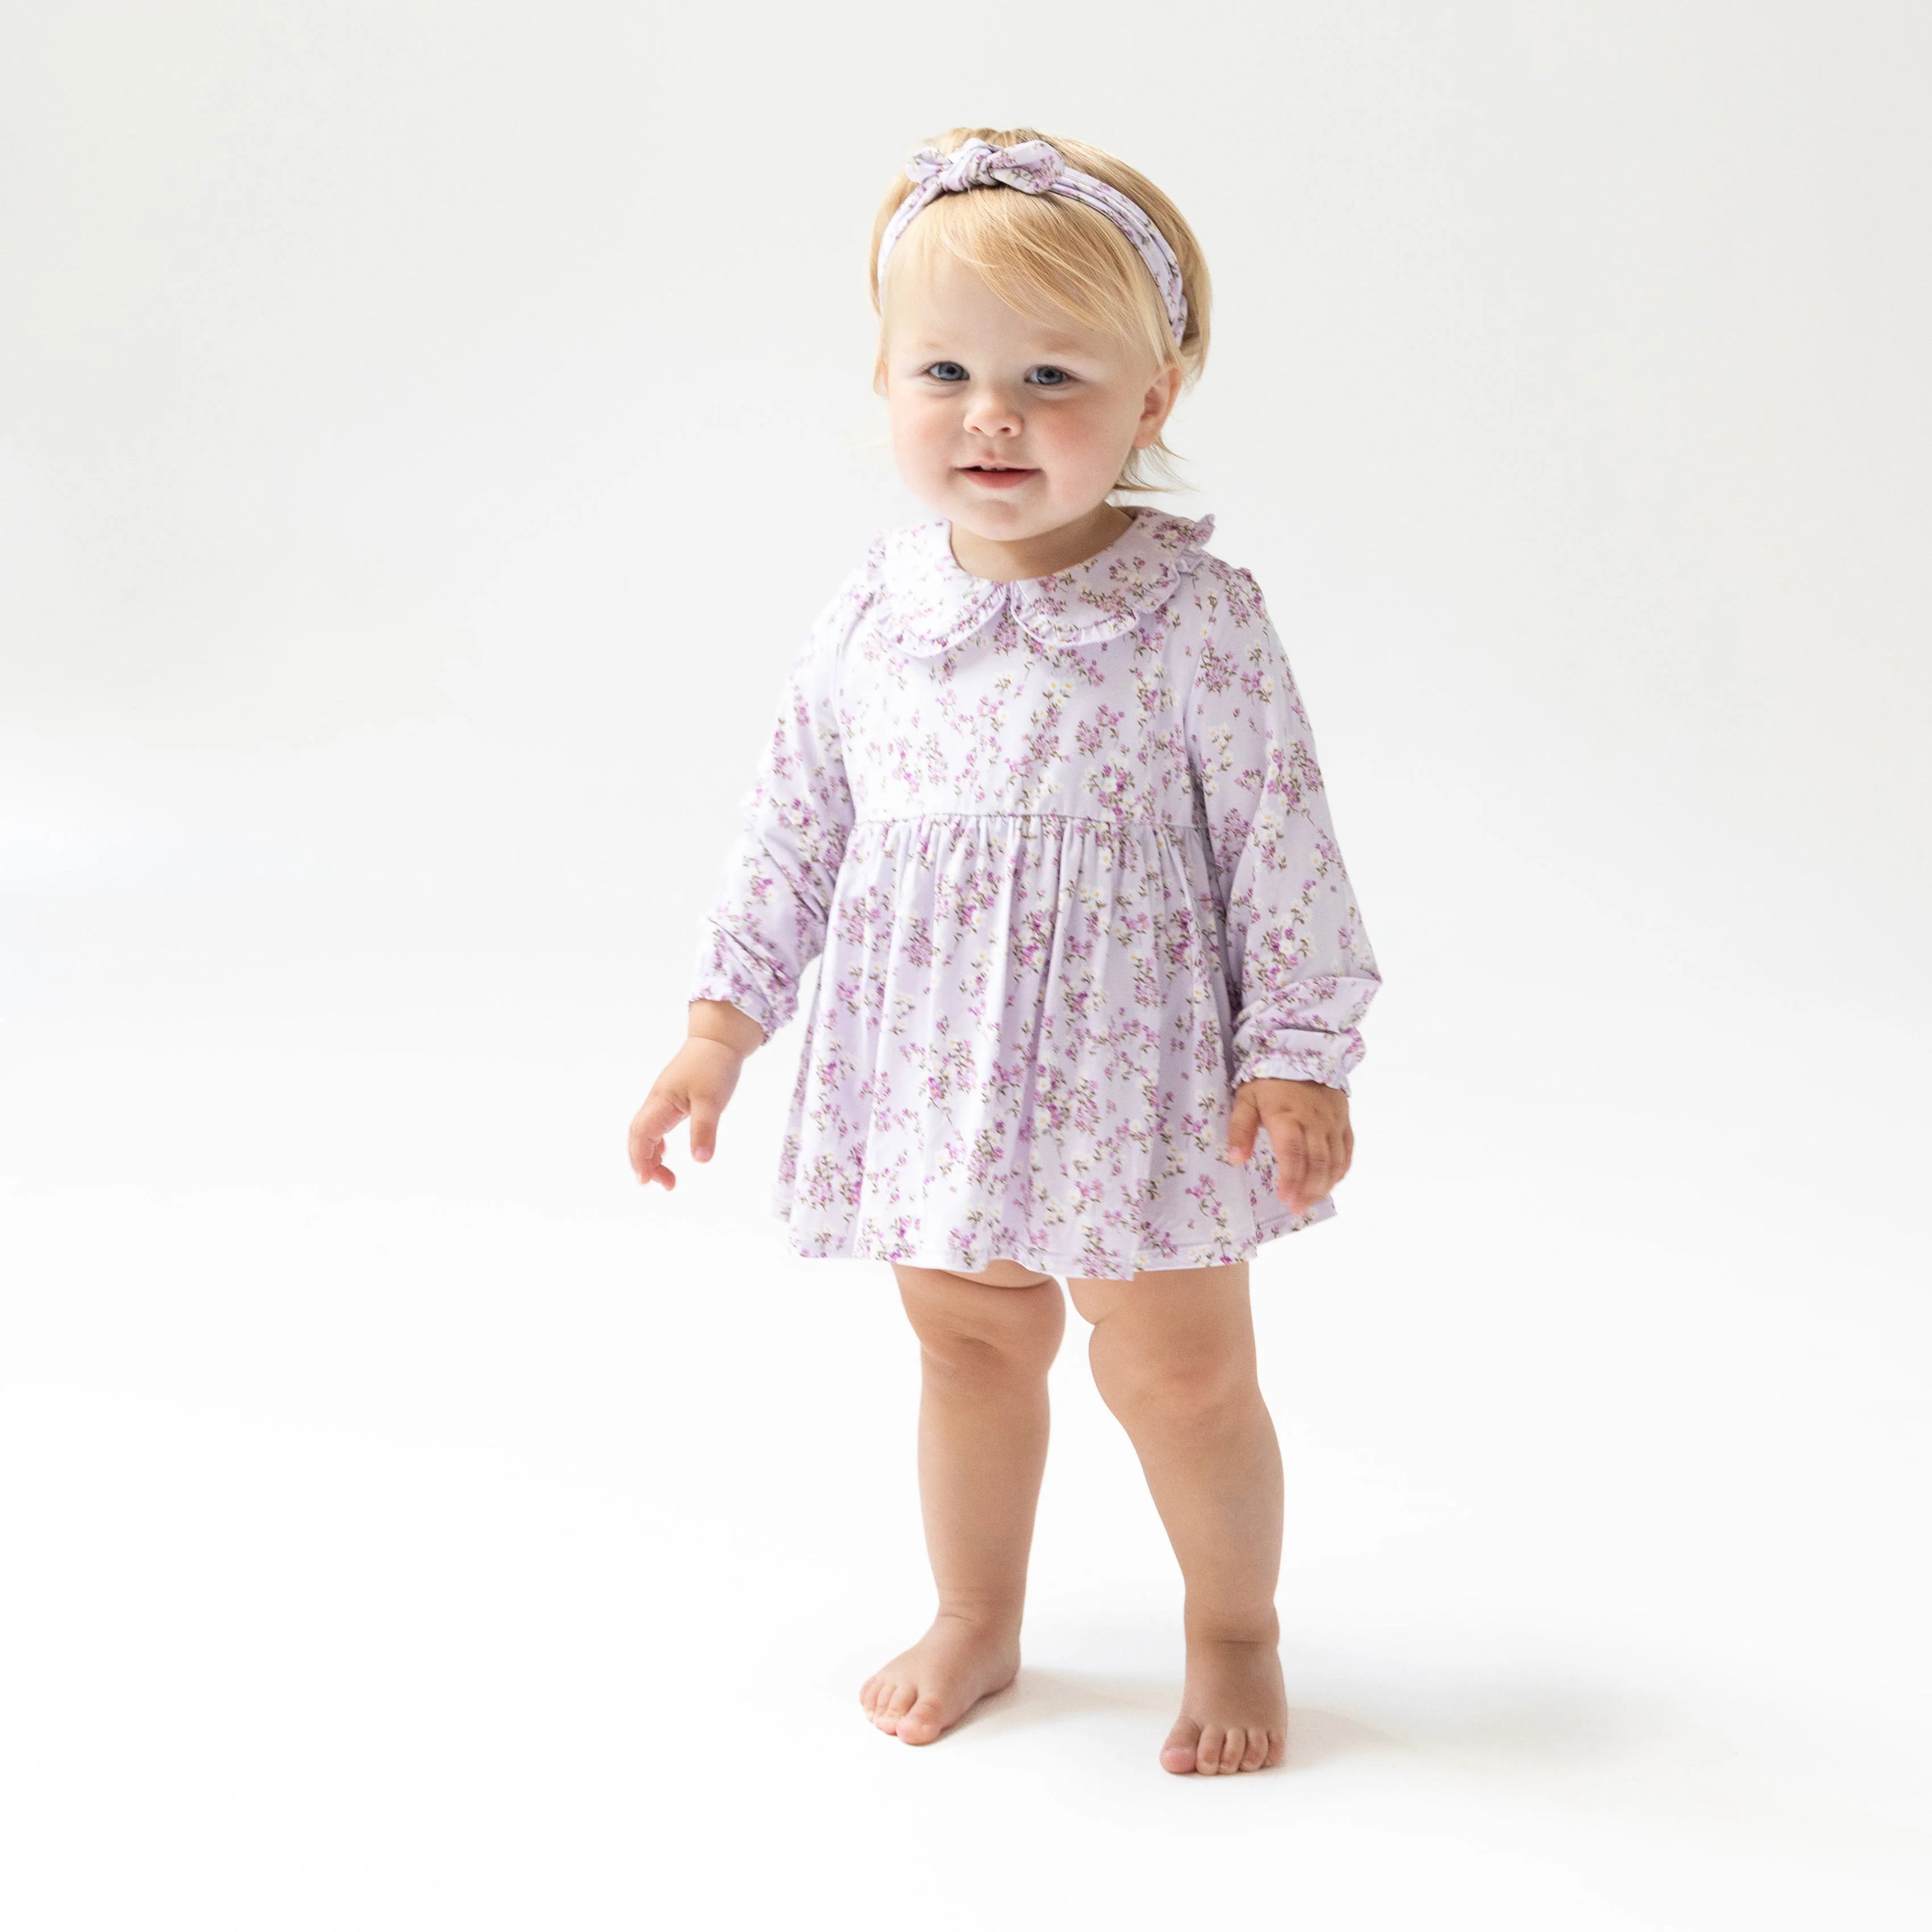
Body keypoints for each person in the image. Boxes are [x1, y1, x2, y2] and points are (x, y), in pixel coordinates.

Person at [627, 128, 1383, 1777]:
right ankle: (978, 1611)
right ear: (884, 380)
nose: (994, 414)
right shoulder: (871, 614)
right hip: (931, 1068)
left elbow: (1281, 838)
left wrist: (1301, 1052)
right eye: (947, 370)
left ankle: (1233, 1625)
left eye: (1053, 375)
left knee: (1179, 1373)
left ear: (1153, 399)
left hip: (1145, 1078)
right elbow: (793, 826)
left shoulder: (1193, 617)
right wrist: (717, 1025)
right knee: (967, 1342)